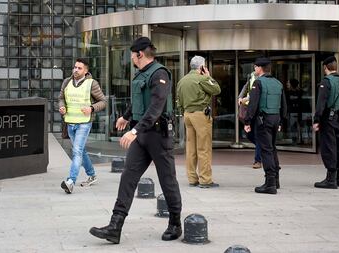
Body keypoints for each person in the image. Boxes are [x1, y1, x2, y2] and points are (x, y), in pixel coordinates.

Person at [89, 37, 182, 243]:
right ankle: (115, 226)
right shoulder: (141, 74)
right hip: (141, 135)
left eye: (132, 54)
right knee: (128, 177)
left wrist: (134, 131)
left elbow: (156, 107)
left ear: (140, 54)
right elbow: (139, 101)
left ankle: (175, 223)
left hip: (158, 136)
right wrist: (126, 116)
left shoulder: (160, 73)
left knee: (167, 180)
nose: (130, 58)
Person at [59, 58, 107, 194]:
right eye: (75, 67)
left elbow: (103, 101)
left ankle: (70, 182)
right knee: (81, 151)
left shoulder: (92, 84)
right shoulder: (67, 82)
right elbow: (61, 98)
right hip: (70, 122)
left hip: (84, 123)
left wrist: (91, 108)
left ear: (86, 71)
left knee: (77, 151)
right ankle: (91, 175)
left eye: (79, 68)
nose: (75, 70)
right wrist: (62, 107)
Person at [244, 58, 287, 194]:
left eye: (255, 67)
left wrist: (247, 122)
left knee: (266, 150)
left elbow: (253, 105)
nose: (254, 69)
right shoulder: (278, 83)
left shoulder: (258, 83)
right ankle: (276, 180)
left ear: (259, 68)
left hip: (263, 120)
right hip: (275, 119)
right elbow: (284, 105)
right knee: (272, 148)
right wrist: (281, 121)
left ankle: (269, 184)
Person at [176, 56, 221, 188]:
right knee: (204, 148)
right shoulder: (202, 79)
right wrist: (208, 76)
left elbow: (178, 100)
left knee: (191, 148)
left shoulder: (182, 81)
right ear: (202, 67)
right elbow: (217, 89)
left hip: (187, 114)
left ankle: (192, 178)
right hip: (200, 115)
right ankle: (205, 179)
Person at [313, 56, 339, 189]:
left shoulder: (326, 81)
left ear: (325, 67)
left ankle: (331, 179)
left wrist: (317, 119)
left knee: (329, 147)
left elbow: (321, 103)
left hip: (328, 117)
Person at [238, 71, 262, 169]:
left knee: (257, 135)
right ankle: (263, 148)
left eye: (257, 66)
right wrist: (240, 97)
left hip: (257, 111)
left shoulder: (263, 79)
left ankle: (258, 160)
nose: (255, 68)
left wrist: (246, 99)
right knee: (249, 134)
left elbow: (256, 94)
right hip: (249, 110)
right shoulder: (251, 76)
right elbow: (246, 86)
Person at [286, 78, 303, 144]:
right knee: (295, 126)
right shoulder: (300, 92)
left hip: (294, 112)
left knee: (293, 126)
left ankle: (295, 140)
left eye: (288, 83)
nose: (287, 84)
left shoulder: (288, 93)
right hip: (295, 112)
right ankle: (297, 139)